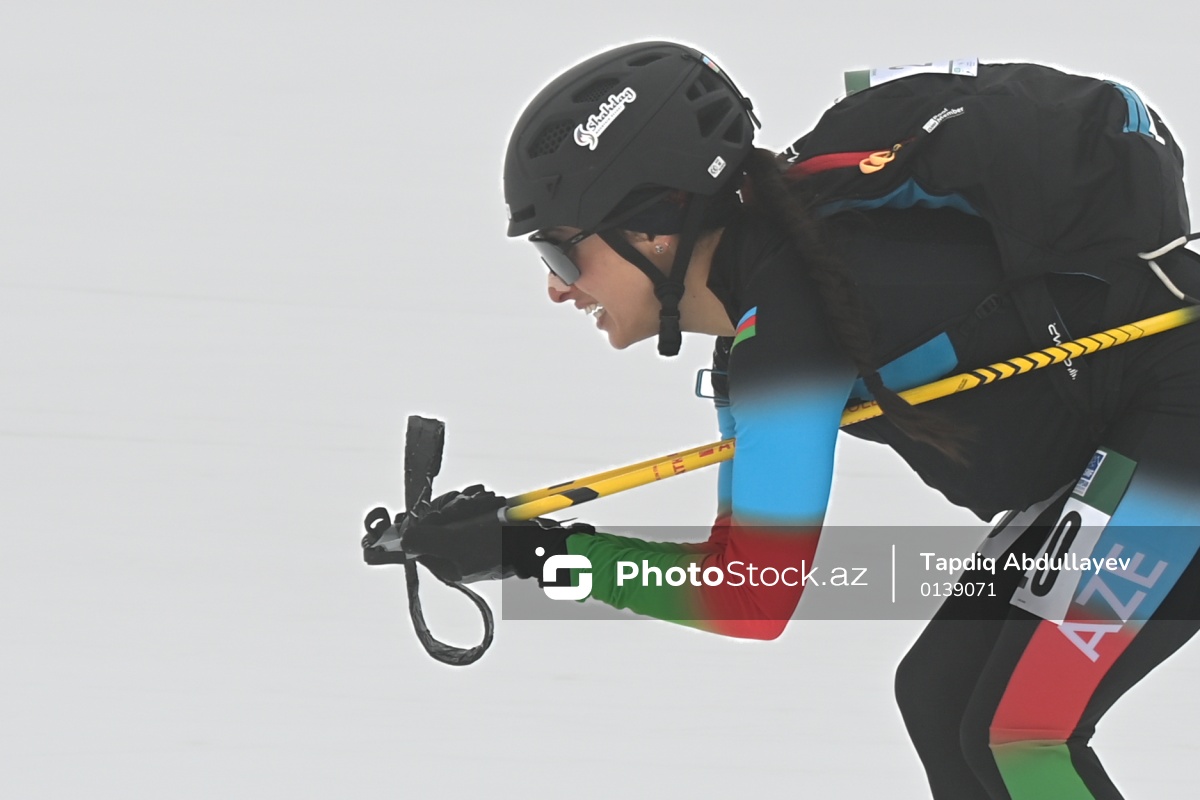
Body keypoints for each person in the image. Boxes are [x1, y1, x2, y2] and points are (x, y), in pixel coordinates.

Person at [397, 41, 1200, 799]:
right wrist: (524, 549)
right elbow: (743, 578)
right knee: (939, 695)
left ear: (651, 228)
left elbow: (749, 598)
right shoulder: (768, 309)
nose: (556, 287)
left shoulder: (787, 320)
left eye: (560, 253)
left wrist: (533, 553)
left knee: (1022, 736)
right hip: (1136, 436)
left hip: (1179, 423)